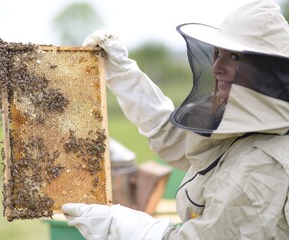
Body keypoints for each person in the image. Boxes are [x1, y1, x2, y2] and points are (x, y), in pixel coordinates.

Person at [61, 0, 289, 239]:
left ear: (267, 69)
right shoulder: (245, 125)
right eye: (218, 54)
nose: (216, 67)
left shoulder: (266, 163)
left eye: (233, 57)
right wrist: (123, 75)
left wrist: (130, 229)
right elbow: (182, 143)